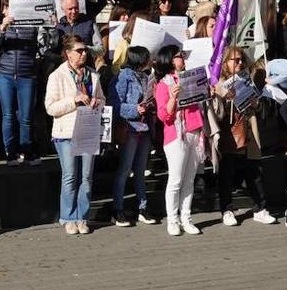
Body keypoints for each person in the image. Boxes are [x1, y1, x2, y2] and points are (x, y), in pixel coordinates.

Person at [207, 46, 276, 225]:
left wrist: (255, 102)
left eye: (240, 60)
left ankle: (260, 208)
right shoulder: (219, 84)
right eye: (234, 60)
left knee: (254, 171)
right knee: (227, 173)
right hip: (229, 133)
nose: (238, 63)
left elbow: (257, 109)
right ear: (225, 63)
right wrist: (222, 98)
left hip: (247, 131)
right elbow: (216, 114)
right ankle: (227, 209)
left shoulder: (246, 80)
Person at [45, 34, 105, 235]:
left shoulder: (92, 75)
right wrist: (74, 100)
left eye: (85, 50)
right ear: (68, 54)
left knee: (86, 176)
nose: (84, 53)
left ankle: (82, 216)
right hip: (66, 132)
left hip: (88, 130)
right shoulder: (57, 76)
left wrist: (97, 102)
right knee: (70, 176)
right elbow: (50, 107)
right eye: (79, 51)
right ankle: (68, 217)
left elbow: (102, 99)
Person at [154, 44, 203, 236]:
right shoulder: (163, 84)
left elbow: (200, 101)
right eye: (178, 56)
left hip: (193, 130)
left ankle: (186, 218)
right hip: (176, 134)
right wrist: (173, 99)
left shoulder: (189, 78)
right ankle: (172, 220)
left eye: (182, 55)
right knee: (175, 180)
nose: (182, 58)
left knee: (189, 179)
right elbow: (163, 116)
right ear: (169, 60)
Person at [110, 46, 161, 226]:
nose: (149, 60)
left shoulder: (146, 77)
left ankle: (142, 207)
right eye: (147, 57)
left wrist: (150, 105)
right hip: (130, 128)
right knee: (125, 169)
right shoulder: (123, 76)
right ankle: (117, 209)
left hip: (144, 127)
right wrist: (134, 109)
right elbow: (115, 104)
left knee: (140, 170)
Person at [0, 0, 42, 165]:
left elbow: (46, 45)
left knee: (26, 116)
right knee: (8, 115)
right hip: (5, 74)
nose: (5, 11)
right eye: (5, 8)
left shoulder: (34, 25)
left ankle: (27, 152)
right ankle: (10, 153)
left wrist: (50, 26)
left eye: (7, 8)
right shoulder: (3, 25)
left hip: (27, 75)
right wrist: (3, 27)